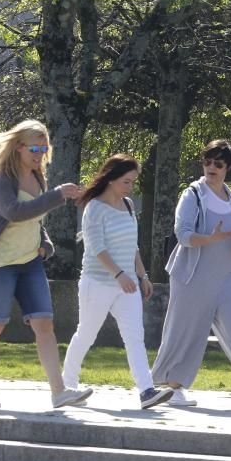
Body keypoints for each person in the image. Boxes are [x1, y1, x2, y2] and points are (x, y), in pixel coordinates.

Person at [0, 119, 91, 408]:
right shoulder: (1, 177)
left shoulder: (38, 176)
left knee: (44, 324)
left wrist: (45, 244)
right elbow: (13, 212)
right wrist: (58, 195)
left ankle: (59, 392)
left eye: (44, 149)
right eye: (34, 148)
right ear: (18, 147)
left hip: (30, 264)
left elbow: (35, 220)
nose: (39, 154)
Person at [150, 139, 231, 408]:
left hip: (227, 277)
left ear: (228, 167)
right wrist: (211, 238)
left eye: (218, 163)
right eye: (207, 161)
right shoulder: (192, 194)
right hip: (192, 277)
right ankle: (172, 389)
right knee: (187, 333)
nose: (211, 167)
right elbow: (184, 235)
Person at [61, 155, 173, 409]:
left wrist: (142, 275)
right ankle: (68, 386)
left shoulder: (129, 205)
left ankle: (146, 391)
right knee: (86, 334)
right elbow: (96, 247)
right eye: (126, 181)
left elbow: (132, 246)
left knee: (135, 337)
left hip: (128, 285)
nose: (130, 187)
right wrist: (119, 274)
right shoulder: (94, 208)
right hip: (97, 283)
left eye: (133, 182)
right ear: (111, 179)